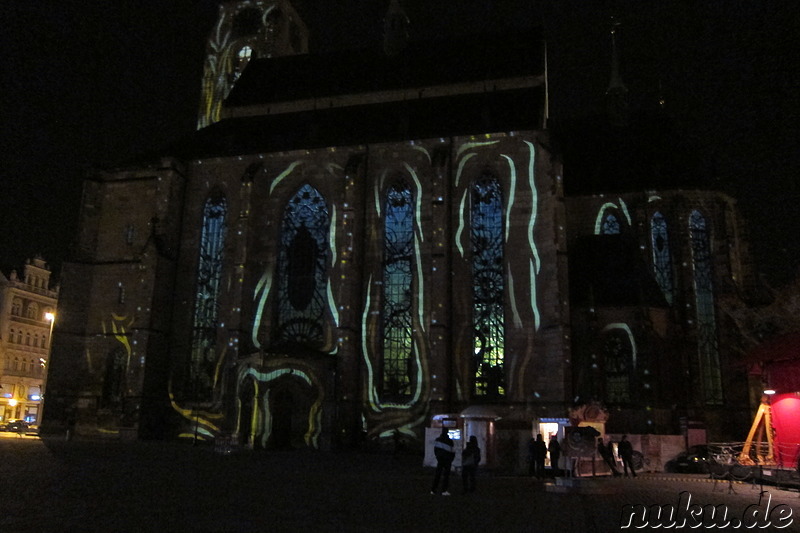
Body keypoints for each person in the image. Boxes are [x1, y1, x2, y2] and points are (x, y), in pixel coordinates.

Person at [430, 427, 455, 495]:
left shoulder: (438, 440)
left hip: (440, 460)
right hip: (447, 461)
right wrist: (450, 460)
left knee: (437, 475)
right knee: (446, 476)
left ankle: (433, 490)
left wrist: (438, 457)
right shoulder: (450, 441)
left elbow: (436, 450)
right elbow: (453, 452)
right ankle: (444, 490)